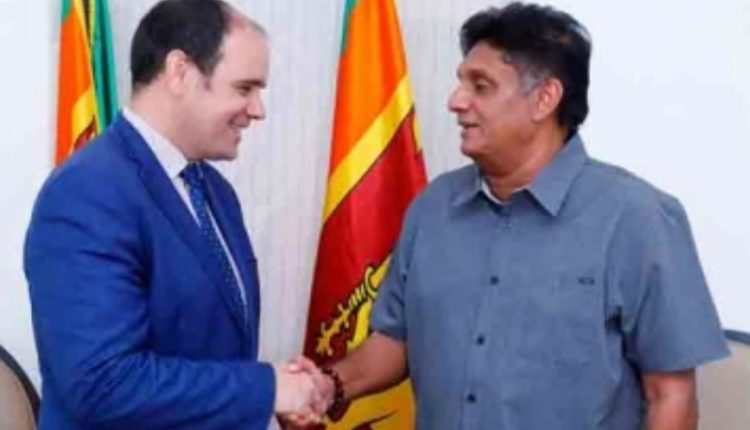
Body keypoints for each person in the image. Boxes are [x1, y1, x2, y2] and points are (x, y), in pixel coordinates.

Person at [288, 2, 730, 429]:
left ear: (544, 99)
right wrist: (328, 385)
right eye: (461, 82)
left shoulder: (639, 218)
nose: (456, 101)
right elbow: (396, 340)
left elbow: (670, 395)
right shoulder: (433, 208)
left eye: (481, 86)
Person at [25, 0, 324, 428]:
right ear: (180, 72)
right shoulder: (86, 193)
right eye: (244, 88)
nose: (258, 109)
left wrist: (271, 398)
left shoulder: (215, 191)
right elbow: (102, 384)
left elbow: (213, 349)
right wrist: (266, 388)